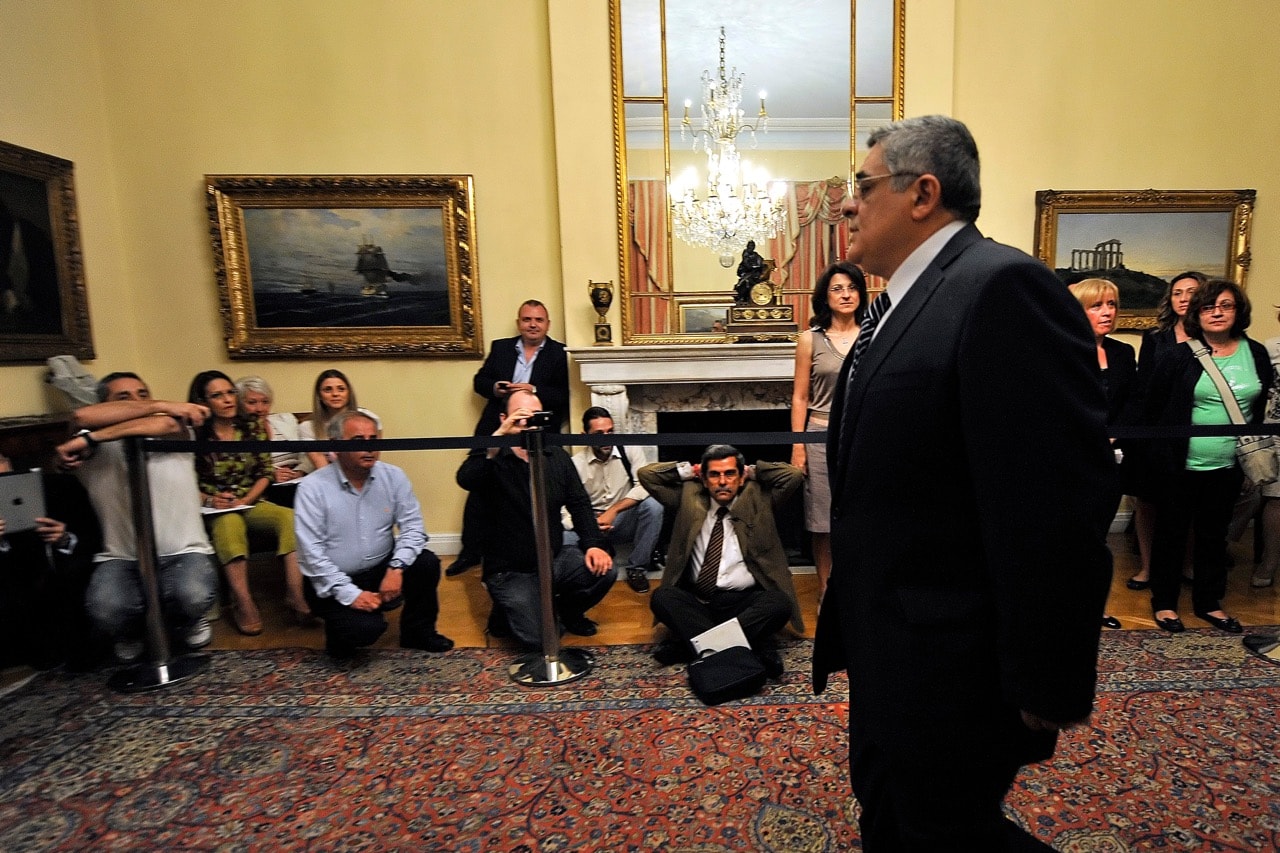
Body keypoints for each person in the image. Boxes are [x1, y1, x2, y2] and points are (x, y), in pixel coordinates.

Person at [813, 115, 1116, 850]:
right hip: (892, 649)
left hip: (955, 665)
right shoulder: (903, 301)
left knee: (943, 830)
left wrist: (1047, 681)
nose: (848, 205)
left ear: (922, 193)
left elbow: (1056, 505)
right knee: (891, 815)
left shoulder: (1003, 288)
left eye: (862, 186)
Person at [54, 372, 220, 663]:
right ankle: (130, 631)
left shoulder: (171, 427)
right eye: (123, 398)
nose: (139, 402)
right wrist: (91, 438)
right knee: (106, 608)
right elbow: (81, 416)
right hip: (123, 557)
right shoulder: (88, 449)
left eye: (144, 394)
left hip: (183, 551)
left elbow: (166, 420)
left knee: (191, 594)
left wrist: (94, 436)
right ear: (104, 404)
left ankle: (186, 622)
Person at [1139, 279, 1268, 634]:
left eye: (1225, 306)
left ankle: (1209, 603)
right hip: (1179, 465)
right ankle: (1164, 604)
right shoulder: (1177, 356)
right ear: (1197, 314)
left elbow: (1257, 408)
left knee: (1214, 537)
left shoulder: (1254, 353)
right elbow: (1153, 408)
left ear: (1238, 311)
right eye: (1208, 307)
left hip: (1229, 465)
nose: (1217, 313)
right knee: (1172, 535)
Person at [455, 390, 615, 650]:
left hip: (552, 559)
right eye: (521, 417)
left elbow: (579, 503)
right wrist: (497, 439)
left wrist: (593, 544)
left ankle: (564, 611)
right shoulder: (493, 455)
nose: (529, 424)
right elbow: (467, 478)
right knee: (540, 639)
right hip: (510, 570)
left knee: (604, 570)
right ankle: (511, 610)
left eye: (535, 417)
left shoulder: (556, 456)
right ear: (504, 418)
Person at [294, 410, 453, 660]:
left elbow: (413, 528)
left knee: (426, 563)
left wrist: (396, 568)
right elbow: (311, 557)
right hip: (332, 581)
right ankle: (340, 635)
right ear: (335, 445)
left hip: (381, 568)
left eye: (373, 439)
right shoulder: (312, 488)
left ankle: (417, 633)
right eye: (359, 440)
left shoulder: (393, 476)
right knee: (365, 631)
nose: (369, 448)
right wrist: (352, 595)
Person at [640, 446, 803, 679]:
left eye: (729, 474)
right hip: (699, 601)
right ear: (704, 480)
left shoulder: (760, 497)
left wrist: (752, 471)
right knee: (662, 598)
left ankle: (692, 646)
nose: (723, 482)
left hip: (744, 602)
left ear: (740, 477)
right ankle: (749, 646)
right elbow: (647, 476)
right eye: (715, 475)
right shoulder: (687, 497)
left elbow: (793, 476)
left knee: (779, 603)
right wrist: (690, 470)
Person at [449, 299, 570, 576]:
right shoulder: (501, 348)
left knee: (531, 489)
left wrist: (533, 389)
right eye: (527, 319)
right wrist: (497, 388)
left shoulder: (559, 353)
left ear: (547, 324)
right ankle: (470, 551)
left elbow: (564, 396)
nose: (532, 324)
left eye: (539, 320)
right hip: (498, 428)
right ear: (519, 323)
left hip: (538, 432)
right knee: (479, 485)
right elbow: (480, 381)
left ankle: (536, 547)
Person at [187, 370, 308, 635]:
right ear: (204, 401)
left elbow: (266, 471)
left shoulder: (251, 427)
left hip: (250, 500)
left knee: (290, 517)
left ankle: (295, 593)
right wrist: (211, 499)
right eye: (217, 396)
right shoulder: (194, 434)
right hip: (213, 507)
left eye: (230, 392)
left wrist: (246, 499)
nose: (228, 400)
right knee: (229, 525)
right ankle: (244, 603)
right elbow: (184, 482)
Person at [790, 261, 866, 603]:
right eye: (837, 288)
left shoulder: (874, 332)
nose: (846, 294)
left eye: (851, 287)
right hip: (820, 435)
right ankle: (826, 589)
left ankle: (859, 586)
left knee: (862, 514)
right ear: (825, 296)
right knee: (822, 518)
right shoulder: (809, 339)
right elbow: (800, 396)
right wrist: (798, 446)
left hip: (865, 435)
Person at [1126, 271, 1206, 590]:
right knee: (1148, 501)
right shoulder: (1155, 338)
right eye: (1177, 293)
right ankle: (1147, 567)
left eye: (1191, 291)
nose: (1183, 297)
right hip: (1156, 433)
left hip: (1199, 434)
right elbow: (1143, 388)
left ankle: (1185, 564)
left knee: (1190, 501)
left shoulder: (1216, 337)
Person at [1069, 278, 1136, 631]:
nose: (1107, 312)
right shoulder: (1060, 349)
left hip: (1110, 460)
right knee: (1067, 538)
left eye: (1112, 304)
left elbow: (1130, 403)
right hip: (1068, 460)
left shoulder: (1123, 352)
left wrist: (1113, 436)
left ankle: (1096, 607)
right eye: (1097, 305)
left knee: (1098, 538)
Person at [0, 451, 101, 670]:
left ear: (8, 464)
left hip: (67, 571)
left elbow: (93, 536)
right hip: (19, 586)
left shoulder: (59, 486)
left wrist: (65, 539)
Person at [563, 406, 662, 594]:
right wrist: (589, 525)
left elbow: (644, 486)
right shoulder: (575, 464)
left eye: (610, 432)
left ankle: (637, 568)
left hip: (623, 517)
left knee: (654, 506)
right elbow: (564, 507)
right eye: (599, 433)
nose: (607, 438)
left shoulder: (629, 450)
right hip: (590, 522)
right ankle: (586, 571)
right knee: (561, 538)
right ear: (584, 435)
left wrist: (613, 510)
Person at [236, 375, 312, 508]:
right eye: (252, 402)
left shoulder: (285, 420)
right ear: (239, 404)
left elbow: (306, 453)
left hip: (298, 480)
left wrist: (300, 471)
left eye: (265, 402)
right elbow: (240, 470)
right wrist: (271, 475)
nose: (260, 408)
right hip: (267, 488)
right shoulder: (236, 433)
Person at [297, 369, 382, 471]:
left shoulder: (369, 418)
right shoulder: (307, 427)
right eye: (328, 390)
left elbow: (372, 459)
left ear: (349, 393)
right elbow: (323, 468)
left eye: (341, 389)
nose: (335, 394)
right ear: (319, 396)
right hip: (328, 479)